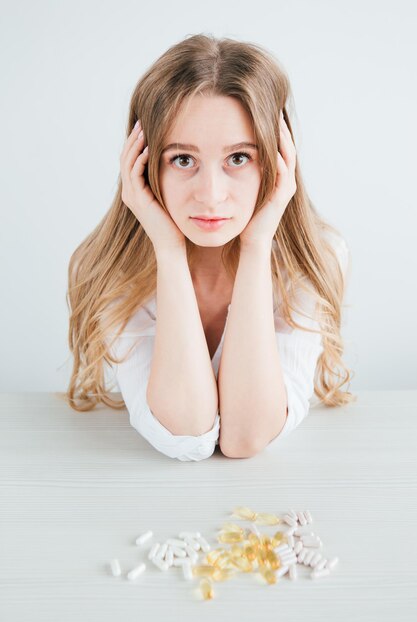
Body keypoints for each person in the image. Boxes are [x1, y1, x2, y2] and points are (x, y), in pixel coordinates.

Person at [65, 34, 355, 462]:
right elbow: (185, 436)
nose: (211, 195)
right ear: (142, 164)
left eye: (239, 158)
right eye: (183, 159)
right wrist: (167, 250)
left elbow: (246, 438)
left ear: (280, 161)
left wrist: (258, 247)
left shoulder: (315, 259)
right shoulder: (112, 269)